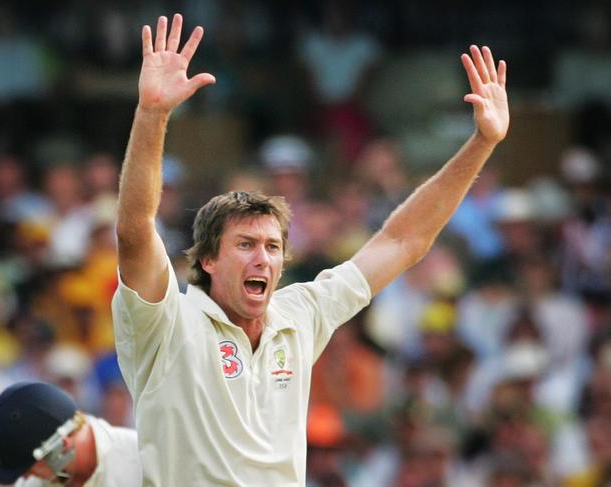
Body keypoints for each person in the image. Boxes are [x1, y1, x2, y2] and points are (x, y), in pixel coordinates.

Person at [112, 12, 509, 486]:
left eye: (272, 246)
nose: (263, 257)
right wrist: (152, 115)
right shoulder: (164, 322)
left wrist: (482, 143)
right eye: (244, 244)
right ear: (207, 260)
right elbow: (135, 231)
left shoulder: (299, 314)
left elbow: (403, 241)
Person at [0, 381, 141, 486]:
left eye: (28, 467)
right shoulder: (35, 482)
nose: (25, 477)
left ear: (62, 447)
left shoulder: (142, 460)